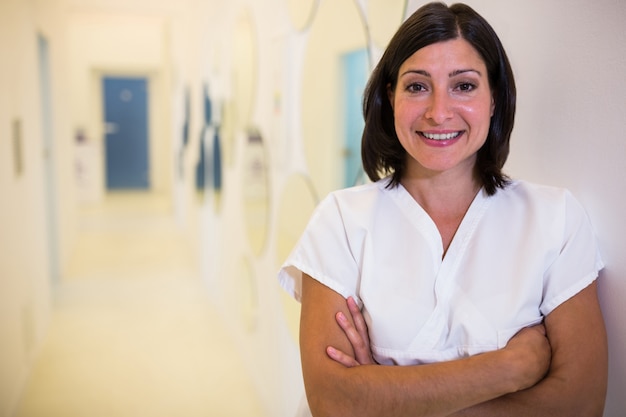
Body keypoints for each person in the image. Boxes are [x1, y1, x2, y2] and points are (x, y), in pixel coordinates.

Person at [278, 2, 608, 416]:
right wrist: (508, 369)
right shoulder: (341, 220)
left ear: (494, 98)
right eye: (417, 86)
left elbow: (581, 404)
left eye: (464, 86)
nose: (438, 111)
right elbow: (334, 402)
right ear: (390, 97)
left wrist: (384, 392)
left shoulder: (556, 219)